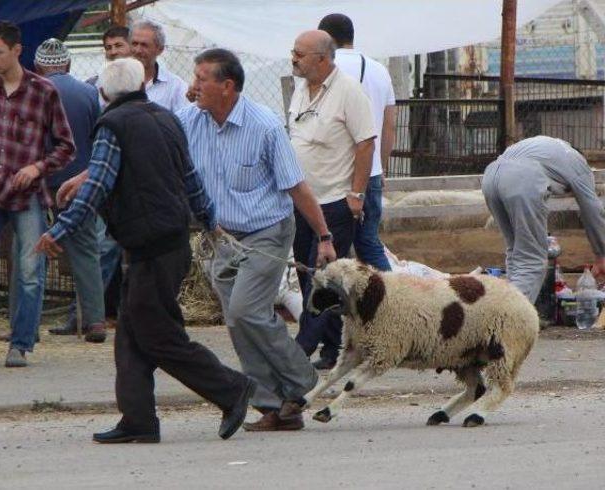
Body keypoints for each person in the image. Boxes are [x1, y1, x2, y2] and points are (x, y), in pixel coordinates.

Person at [35, 58, 254, 443]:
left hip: (150, 245)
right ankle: (137, 419)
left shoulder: (113, 126)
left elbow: (98, 185)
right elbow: (190, 178)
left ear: (104, 93)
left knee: (158, 335)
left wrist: (60, 229)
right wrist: (207, 218)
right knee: (131, 336)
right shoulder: (166, 119)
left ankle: (230, 388)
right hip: (165, 243)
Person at [177, 48, 336, 431]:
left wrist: (324, 236)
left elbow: (296, 187)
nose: (193, 86)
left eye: (202, 78)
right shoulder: (188, 122)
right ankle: (273, 406)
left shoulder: (263, 125)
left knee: (247, 309)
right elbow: (150, 145)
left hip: (266, 232)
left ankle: (303, 385)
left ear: (227, 86)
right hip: (219, 238)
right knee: (238, 319)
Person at [0, 21, 75, 367]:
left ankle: (21, 343)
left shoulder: (44, 91)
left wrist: (37, 168)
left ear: (17, 50)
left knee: (30, 271)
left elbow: (66, 146)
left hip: (27, 195)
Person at [289, 30, 376, 370]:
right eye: (293, 52)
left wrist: (356, 194)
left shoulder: (349, 92)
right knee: (307, 273)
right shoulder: (300, 88)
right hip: (302, 201)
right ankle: (332, 348)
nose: (293, 58)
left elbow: (366, 143)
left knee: (320, 280)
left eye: (300, 53)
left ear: (322, 59)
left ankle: (297, 355)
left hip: (335, 201)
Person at [52, 26, 133, 336]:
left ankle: (97, 314)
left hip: (134, 180)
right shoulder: (93, 88)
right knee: (102, 245)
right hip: (101, 177)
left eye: (119, 45)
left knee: (105, 245)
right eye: (108, 46)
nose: (113, 51)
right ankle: (88, 314)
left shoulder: (170, 87)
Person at [30, 38, 105, 343]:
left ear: (37, 67)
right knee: (86, 251)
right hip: (80, 184)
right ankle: (95, 321)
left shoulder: (33, 92)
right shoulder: (89, 93)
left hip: (40, 183)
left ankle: (25, 325)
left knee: (30, 252)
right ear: (69, 65)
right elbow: (98, 137)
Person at [482, 135, 605, 303]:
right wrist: (602, 254)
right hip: (522, 179)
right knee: (533, 259)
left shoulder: (548, 148)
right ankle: (511, 320)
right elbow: (592, 208)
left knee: (515, 251)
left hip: (490, 177)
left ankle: (505, 310)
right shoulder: (578, 163)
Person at [318, 13, 395, 273]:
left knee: (328, 246)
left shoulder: (321, 67)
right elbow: (389, 124)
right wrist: (381, 167)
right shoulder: (379, 70)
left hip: (332, 177)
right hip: (370, 172)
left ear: (325, 39)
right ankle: (391, 302)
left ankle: (332, 309)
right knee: (369, 243)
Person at [131, 19, 189, 112]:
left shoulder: (176, 87)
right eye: (134, 44)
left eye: (144, 45)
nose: (138, 50)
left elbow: (182, 123)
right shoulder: (116, 80)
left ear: (160, 49)